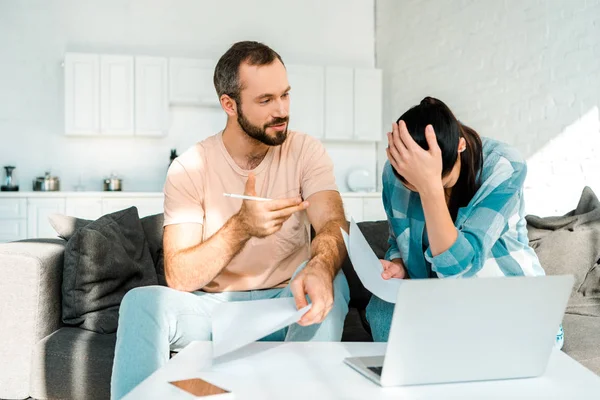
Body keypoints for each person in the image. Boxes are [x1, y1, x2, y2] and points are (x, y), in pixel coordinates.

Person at [110, 41, 350, 399]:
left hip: (288, 303)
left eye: (285, 95)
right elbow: (179, 275)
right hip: (214, 313)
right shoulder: (190, 168)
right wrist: (241, 227)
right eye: (265, 100)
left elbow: (333, 223)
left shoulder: (305, 151)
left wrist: (320, 265)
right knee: (141, 302)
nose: (282, 109)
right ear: (229, 104)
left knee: (330, 276)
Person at [366, 96, 563, 347]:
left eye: (441, 182)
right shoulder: (396, 170)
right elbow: (398, 238)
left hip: (504, 298)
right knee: (381, 310)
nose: (416, 190)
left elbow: (459, 266)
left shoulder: (503, 165)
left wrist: (431, 187)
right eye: (410, 185)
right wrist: (398, 263)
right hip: (438, 300)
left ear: (460, 146)